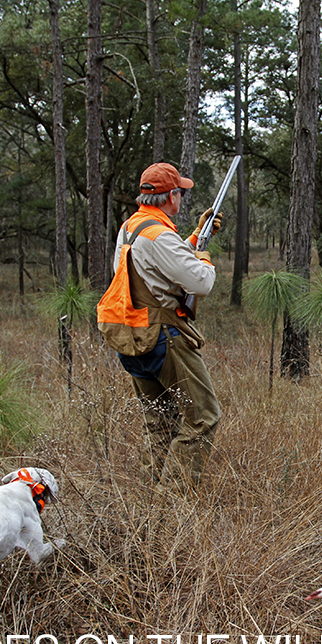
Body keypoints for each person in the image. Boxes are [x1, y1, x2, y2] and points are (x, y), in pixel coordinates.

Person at [112, 162, 223, 488]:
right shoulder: (160, 235)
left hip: (133, 339)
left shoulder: (130, 228)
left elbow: (157, 264)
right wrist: (202, 254)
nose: (182, 197)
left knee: (159, 425)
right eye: (181, 192)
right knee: (203, 419)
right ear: (171, 196)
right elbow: (201, 282)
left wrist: (193, 239)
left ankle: (147, 507)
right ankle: (173, 506)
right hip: (164, 339)